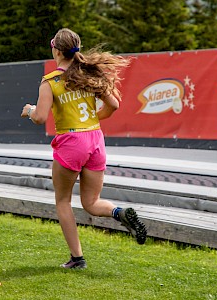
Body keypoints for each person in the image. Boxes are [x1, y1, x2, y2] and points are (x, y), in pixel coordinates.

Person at [21, 28, 147, 269]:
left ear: (56, 50)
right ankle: (119, 213)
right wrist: (92, 121)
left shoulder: (50, 82)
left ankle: (77, 258)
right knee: (91, 202)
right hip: (95, 139)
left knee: (63, 201)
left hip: (71, 142)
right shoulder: (89, 75)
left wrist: (28, 111)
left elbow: (39, 117)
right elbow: (114, 105)